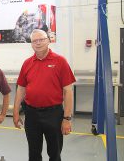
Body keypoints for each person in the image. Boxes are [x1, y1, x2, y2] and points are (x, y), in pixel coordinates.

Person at [13, 29, 76, 161]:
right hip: (31, 114)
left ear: (48, 41)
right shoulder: (27, 63)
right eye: (35, 40)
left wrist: (67, 119)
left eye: (41, 39)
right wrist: (15, 112)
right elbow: (21, 89)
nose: (38, 43)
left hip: (53, 114)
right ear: (31, 44)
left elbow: (68, 91)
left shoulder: (60, 61)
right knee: (34, 153)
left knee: (54, 152)